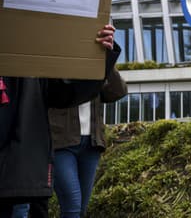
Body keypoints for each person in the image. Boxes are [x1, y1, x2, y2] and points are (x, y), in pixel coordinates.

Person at [0, 24, 119, 218]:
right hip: (60, 145)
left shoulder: (35, 57)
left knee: (78, 209)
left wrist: (101, 57)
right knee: (72, 206)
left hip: (81, 147)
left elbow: (110, 91)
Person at [48, 66, 127, 217]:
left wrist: (107, 59)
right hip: (61, 143)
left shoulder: (95, 65)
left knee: (81, 210)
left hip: (91, 143)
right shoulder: (60, 61)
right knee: (72, 206)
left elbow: (118, 92)